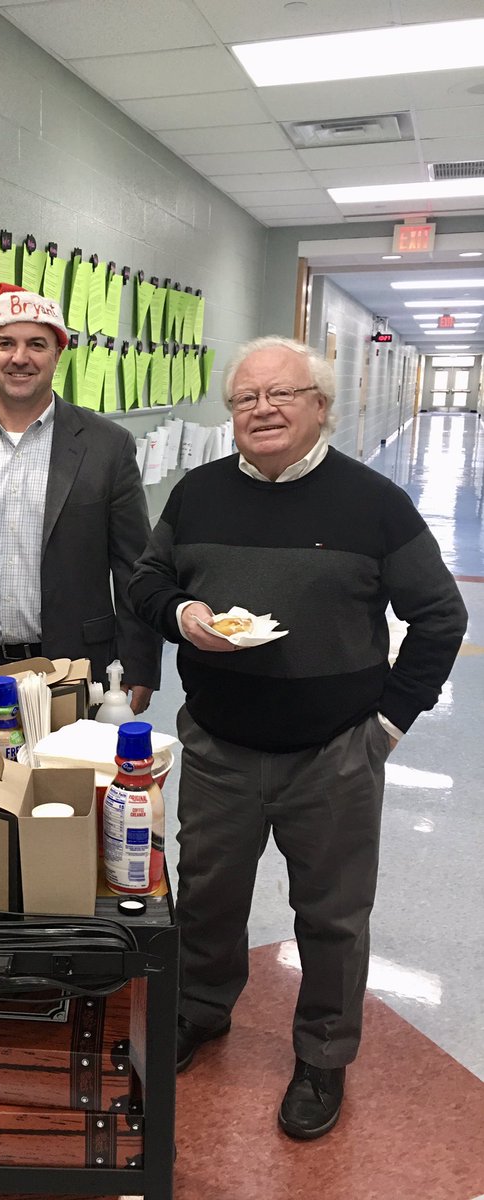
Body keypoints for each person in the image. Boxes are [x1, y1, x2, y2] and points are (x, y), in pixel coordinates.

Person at [129, 335, 466, 1139]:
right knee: (207, 899)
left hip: (335, 754)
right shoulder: (196, 493)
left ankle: (323, 1054)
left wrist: (387, 724)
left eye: (282, 394)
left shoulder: (374, 502)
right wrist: (181, 615)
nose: (263, 410)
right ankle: (203, 1012)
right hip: (219, 746)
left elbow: (440, 615)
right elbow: (148, 580)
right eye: (246, 398)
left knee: (334, 916)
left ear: (322, 406)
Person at [0, 283, 162, 712]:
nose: (20, 358)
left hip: (76, 669)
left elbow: (132, 567)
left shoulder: (108, 446)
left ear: (57, 354)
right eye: (5, 343)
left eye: (36, 344)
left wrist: (140, 665)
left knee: (70, 779)